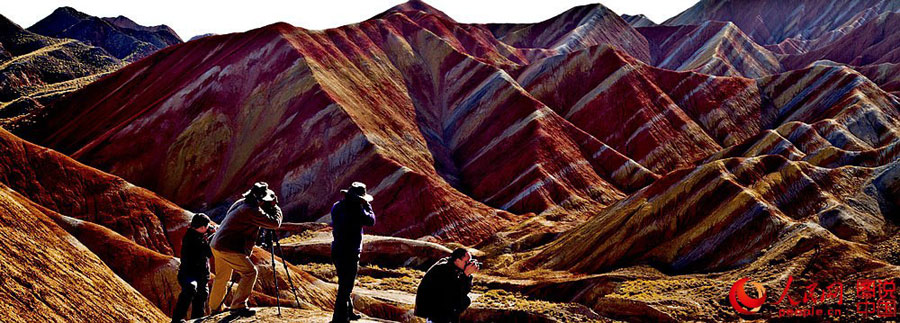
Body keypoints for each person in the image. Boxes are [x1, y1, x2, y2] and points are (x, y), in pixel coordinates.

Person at [208, 182, 283, 317]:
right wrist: (275, 208)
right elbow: (274, 224)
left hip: (217, 244)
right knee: (250, 272)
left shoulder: (241, 203)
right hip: (229, 247)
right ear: (260, 200)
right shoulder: (251, 210)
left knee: (222, 277)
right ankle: (238, 305)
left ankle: (215, 307)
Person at [330, 182, 376, 322]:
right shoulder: (358, 211)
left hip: (337, 249)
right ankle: (339, 318)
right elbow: (372, 221)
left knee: (344, 282)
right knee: (346, 286)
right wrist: (366, 205)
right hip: (350, 252)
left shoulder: (337, 206)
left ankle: (349, 312)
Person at [171, 213, 215, 323]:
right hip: (190, 274)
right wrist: (213, 237)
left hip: (199, 275)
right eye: (206, 227)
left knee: (201, 297)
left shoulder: (193, 234)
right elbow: (208, 252)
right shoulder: (194, 239)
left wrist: (208, 234)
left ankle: (195, 319)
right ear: (202, 228)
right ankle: (177, 319)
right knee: (190, 289)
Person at [414, 248, 478, 323]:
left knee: (465, 300)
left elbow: (464, 291)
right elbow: (453, 291)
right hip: (434, 308)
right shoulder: (443, 268)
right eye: (466, 262)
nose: (468, 264)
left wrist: (467, 275)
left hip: (442, 306)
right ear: (457, 260)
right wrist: (465, 274)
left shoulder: (454, 267)